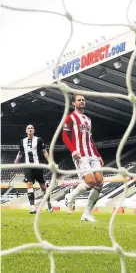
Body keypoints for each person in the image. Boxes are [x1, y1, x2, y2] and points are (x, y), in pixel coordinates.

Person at [62, 94, 105, 223]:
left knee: (100, 183)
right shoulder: (70, 118)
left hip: (92, 154)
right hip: (81, 155)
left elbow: (90, 140)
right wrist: (73, 150)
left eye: (83, 100)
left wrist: (98, 155)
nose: (81, 101)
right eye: (79, 100)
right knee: (91, 182)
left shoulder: (88, 119)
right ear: (74, 103)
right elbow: (65, 135)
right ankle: (71, 196)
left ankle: (86, 214)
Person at [14, 124, 53, 214]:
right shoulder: (22, 141)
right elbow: (20, 153)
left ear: (34, 130)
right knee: (29, 185)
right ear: (26, 131)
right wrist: (16, 162)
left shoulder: (39, 140)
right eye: (28, 128)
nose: (30, 129)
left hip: (38, 166)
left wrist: (50, 162)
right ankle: (32, 207)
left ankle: (49, 203)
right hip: (28, 167)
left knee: (43, 187)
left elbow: (44, 152)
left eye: (32, 128)